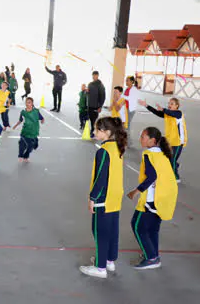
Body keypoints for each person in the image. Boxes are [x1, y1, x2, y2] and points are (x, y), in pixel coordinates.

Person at [79, 117, 126, 279]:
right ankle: (109, 260)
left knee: (100, 232)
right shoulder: (118, 148)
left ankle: (100, 267)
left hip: (103, 199)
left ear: (106, 132)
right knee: (112, 231)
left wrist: (93, 198)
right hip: (115, 197)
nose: (93, 132)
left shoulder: (103, 152)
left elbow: (100, 178)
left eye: (97, 129)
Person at [127, 127, 178, 270]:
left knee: (137, 226)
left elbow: (152, 176)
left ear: (152, 140)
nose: (140, 139)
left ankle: (151, 258)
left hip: (152, 199)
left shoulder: (149, 154)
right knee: (153, 229)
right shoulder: (162, 153)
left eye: (143, 137)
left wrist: (136, 191)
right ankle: (154, 254)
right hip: (164, 197)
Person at [138, 98, 187, 183]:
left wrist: (163, 109)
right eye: (169, 103)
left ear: (177, 106)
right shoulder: (167, 114)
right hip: (169, 140)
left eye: (172, 103)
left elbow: (170, 112)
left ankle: (176, 177)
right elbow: (157, 112)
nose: (169, 105)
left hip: (178, 142)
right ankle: (175, 164)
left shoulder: (178, 114)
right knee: (169, 157)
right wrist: (146, 105)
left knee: (172, 159)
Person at [13, 97, 44, 162]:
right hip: (25, 132)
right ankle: (22, 156)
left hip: (34, 133)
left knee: (34, 145)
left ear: (32, 103)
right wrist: (15, 125)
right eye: (26, 102)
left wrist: (42, 120)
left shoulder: (36, 111)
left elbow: (41, 118)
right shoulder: (23, 112)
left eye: (29, 102)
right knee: (26, 145)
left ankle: (25, 156)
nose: (27, 104)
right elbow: (20, 120)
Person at [87, 71, 106, 139]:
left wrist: (100, 106)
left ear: (97, 76)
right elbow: (88, 94)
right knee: (91, 120)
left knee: (94, 120)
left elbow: (103, 96)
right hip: (90, 105)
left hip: (96, 106)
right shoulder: (90, 84)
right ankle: (93, 131)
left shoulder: (100, 85)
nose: (94, 76)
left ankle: (94, 133)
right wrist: (87, 92)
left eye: (95, 75)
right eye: (93, 75)